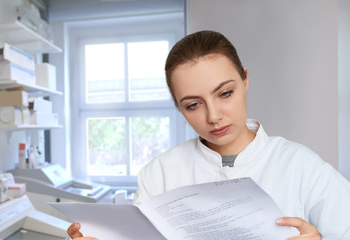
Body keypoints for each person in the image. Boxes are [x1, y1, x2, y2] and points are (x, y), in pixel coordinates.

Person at [67, 30, 350, 240]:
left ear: (245, 79)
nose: (213, 116)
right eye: (192, 105)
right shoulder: (158, 174)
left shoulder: (303, 167)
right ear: (179, 108)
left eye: (225, 93)